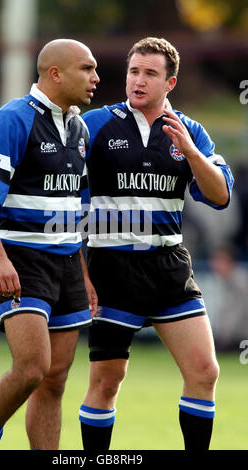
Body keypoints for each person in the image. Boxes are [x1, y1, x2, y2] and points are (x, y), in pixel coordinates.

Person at [78, 37, 234, 451]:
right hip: (110, 265)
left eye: (150, 74)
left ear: (171, 82)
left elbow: (219, 196)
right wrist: (82, 274)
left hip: (168, 266)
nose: (139, 81)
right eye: (134, 71)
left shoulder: (190, 130)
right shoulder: (95, 125)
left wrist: (191, 153)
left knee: (205, 370)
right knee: (106, 381)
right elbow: (65, 200)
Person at [0, 38, 99, 450]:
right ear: (55, 73)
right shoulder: (12, 118)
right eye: (86, 68)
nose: (95, 78)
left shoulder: (80, 128)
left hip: (68, 264)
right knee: (32, 368)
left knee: (55, 381)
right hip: (21, 260)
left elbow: (79, 208)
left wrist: (86, 275)